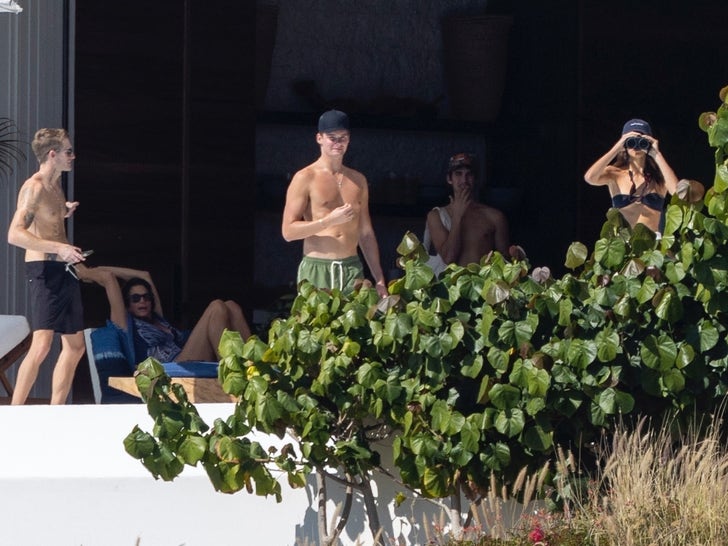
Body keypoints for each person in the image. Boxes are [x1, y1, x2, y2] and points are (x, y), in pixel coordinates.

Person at [6, 128, 89, 405]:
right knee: (41, 345)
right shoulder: (35, 187)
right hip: (44, 270)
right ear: (52, 155)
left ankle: (55, 412)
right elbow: (15, 234)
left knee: (75, 346)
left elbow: (47, 220)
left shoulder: (55, 187)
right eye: (68, 151)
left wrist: (63, 211)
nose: (72, 156)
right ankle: (14, 413)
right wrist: (60, 248)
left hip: (63, 269)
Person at [281, 109, 388, 297]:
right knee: (316, 326)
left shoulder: (358, 180)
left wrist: (379, 279)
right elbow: (288, 232)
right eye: (332, 138)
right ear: (319, 138)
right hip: (318, 268)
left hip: (351, 268)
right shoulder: (305, 177)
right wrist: (328, 221)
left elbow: (365, 233)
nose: (338, 143)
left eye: (343, 138)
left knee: (356, 325)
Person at [78, 265, 252, 364]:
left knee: (231, 306)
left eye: (146, 297)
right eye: (136, 298)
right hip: (171, 369)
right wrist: (87, 272)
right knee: (217, 307)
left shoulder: (158, 318)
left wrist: (97, 267)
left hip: (186, 357)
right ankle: (232, 375)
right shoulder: (126, 325)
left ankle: (254, 366)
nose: (142, 302)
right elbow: (108, 279)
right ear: (128, 305)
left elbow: (144, 275)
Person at [584, 118, 679, 234]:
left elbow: (677, 192)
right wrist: (617, 148)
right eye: (631, 142)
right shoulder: (615, 174)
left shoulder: (659, 176)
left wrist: (656, 154)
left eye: (642, 141)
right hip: (624, 244)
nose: (636, 147)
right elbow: (590, 178)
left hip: (654, 243)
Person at [424, 152, 510, 271]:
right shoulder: (436, 216)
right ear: (449, 179)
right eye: (458, 174)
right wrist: (457, 216)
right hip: (449, 287)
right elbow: (448, 258)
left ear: (475, 179)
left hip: (483, 286)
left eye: (469, 175)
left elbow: (506, 265)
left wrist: (516, 255)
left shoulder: (495, 217)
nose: (464, 180)